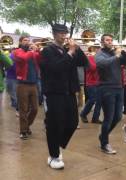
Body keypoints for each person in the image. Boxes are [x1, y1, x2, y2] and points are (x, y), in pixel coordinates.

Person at [40, 24, 88, 169]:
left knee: (73, 123)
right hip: (54, 93)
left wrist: (77, 50)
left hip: (69, 92)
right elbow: (56, 68)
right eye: (61, 33)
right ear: (54, 34)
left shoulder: (69, 50)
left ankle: (57, 145)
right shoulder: (47, 51)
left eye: (65, 33)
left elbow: (84, 63)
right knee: (54, 125)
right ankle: (53, 156)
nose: (64, 36)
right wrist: (70, 52)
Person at [95, 33, 126, 154]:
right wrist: (116, 55)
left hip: (118, 88)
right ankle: (104, 143)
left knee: (118, 117)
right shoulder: (100, 54)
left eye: (111, 40)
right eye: (107, 40)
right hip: (106, 89)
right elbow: (103, 64)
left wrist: (124, 52)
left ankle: (103, 135)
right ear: (102, 42)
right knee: (108, 118)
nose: (110, 42)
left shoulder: (114, 53)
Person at [13, 36, 41, 140]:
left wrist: (38, 50)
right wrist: (33, 51)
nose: (28, 42)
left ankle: (27, 125)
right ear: (20, 42)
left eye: (29, 40)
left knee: (35, 109)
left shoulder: (32, 53)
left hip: (33, 84)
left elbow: (41, 59)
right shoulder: (17, 52)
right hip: (22, 84)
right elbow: (23, 58)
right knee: (23, 109)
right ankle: (23, 131)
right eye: (25, 40)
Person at [80, 46, 102, 124]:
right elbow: (92, 68)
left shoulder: (100, 58)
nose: (99, 50)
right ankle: (83, 114)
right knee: (92, 99)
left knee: (99, 101)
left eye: (99, 49)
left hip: (99, 82)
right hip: (91, 82)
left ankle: (95, 118)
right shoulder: (89, 57)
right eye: (97, 49)